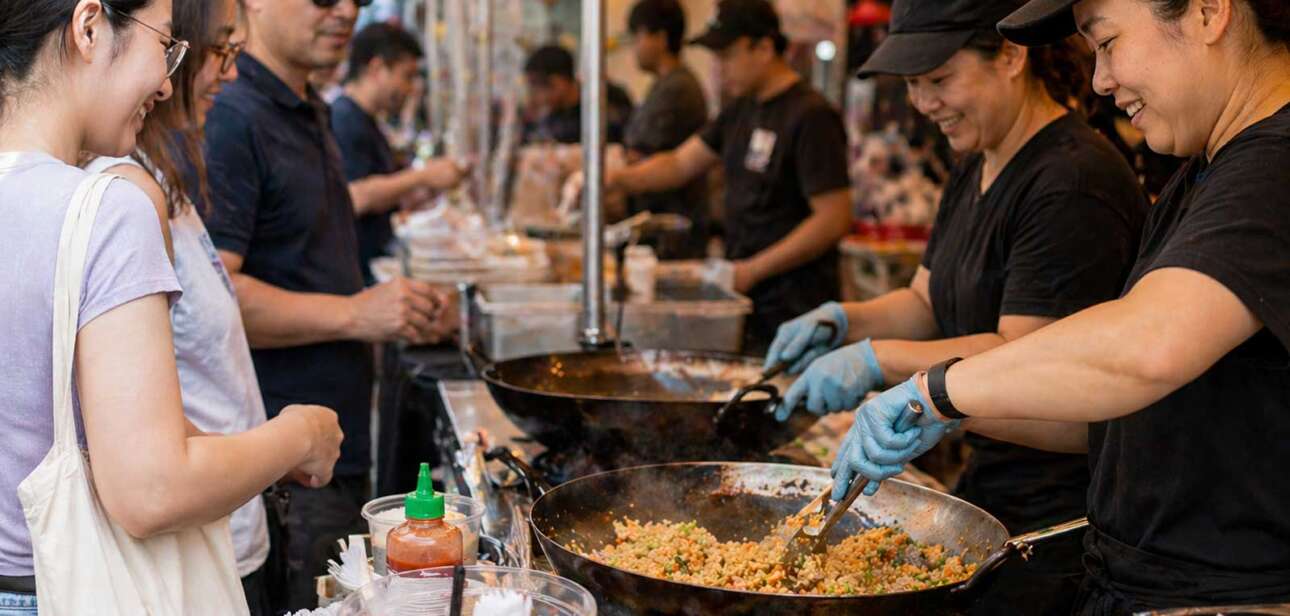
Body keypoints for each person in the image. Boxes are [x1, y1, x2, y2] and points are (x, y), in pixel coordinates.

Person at [835, 0, 1290, 612]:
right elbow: (1114, 414)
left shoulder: (1274, 166)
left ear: (1208, 12)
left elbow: (1143, 348)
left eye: (1106, 42)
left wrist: (937, 389)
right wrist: (960, 414)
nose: (1100, 80)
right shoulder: (1203, 171)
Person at [763, 0, 1148, 611]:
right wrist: (843, 319)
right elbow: (925, 299)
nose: (923, 103)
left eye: (939, 80)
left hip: (1057, 514)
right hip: (989, 481)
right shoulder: (974, 166)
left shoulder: (1072, 180)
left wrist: (876, 361)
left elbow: (1018, 355)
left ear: (1011, 55)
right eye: (913, 84)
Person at [0, 0, 343, 611]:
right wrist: (299, 435)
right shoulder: (107, 207)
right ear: (88, 28)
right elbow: (151, 488)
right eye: (163, 45)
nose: (165, 81)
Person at [203, 0, 452, 609]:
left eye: (356, 2)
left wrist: (397, 312)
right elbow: (215, 296)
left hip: (329, 449)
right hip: (284, 465)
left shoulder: (309, 104)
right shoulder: (233, 115)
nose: (344, 12)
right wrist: (355, 314)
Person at [606, 0, 853, 351]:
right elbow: (678, 163)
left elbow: (834, 218)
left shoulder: (811, 116)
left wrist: (753, 269)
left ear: (765, 47)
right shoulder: (739, 109)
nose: (719, 69)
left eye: (727, 56)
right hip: (746, 299)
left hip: (797, 307)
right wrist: (614, 177)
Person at [334, 22, 468, 284]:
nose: (410, 89)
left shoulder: (367, 122)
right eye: (406, 75)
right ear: (376, 69)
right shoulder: (343, 120)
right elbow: (355, 197)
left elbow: (381, 196)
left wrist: (420, 194)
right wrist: (422, 177)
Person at [622, 0, 712, 259]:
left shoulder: (679, 88)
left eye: (637, 37)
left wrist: (617, 174)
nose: (634, 48)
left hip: (673, 231)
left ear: (660, 38)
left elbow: (640, 153)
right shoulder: (664, 85)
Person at [522, 44, 635, 145]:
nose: (534, 96)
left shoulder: (604, 100)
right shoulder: (553, 114)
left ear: (558, 82)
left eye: (536, 87)